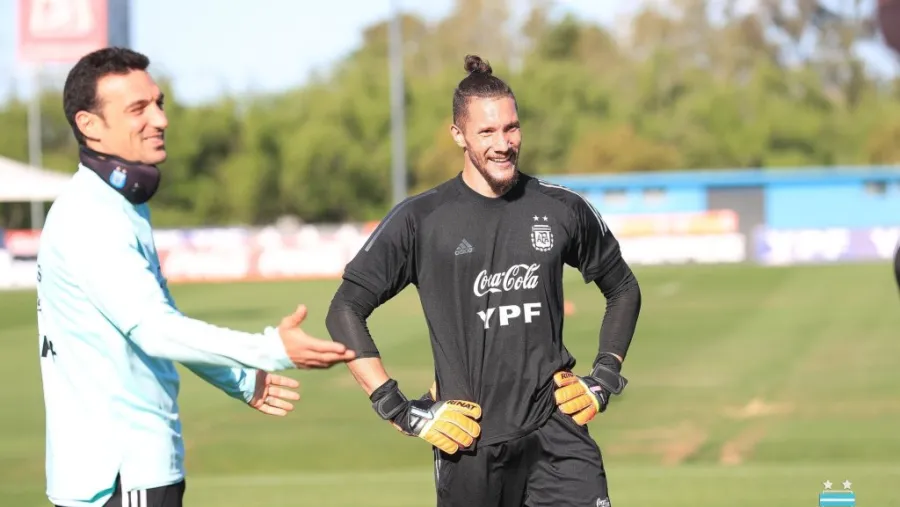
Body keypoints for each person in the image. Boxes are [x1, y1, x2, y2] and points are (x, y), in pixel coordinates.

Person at [37, 47, 355, 507]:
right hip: (122, 476)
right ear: (90, 125)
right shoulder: (92, 217)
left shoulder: (113, 205)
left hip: (121, 472)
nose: (160, 120)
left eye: (158, 103)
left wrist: (241, 379)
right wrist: (270, 350)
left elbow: (157, 322)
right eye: (137, 109)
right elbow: (155, 330)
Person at [325, 54, 642, 507]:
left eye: (511, 128)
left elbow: (623, 288)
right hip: (469, 444)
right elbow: (344, 310)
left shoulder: (560, 207)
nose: (504, 143)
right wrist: (399, 410)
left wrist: (604, 377)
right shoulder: (422, 219)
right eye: (487, 132)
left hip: (559, 438)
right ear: (458, 134)